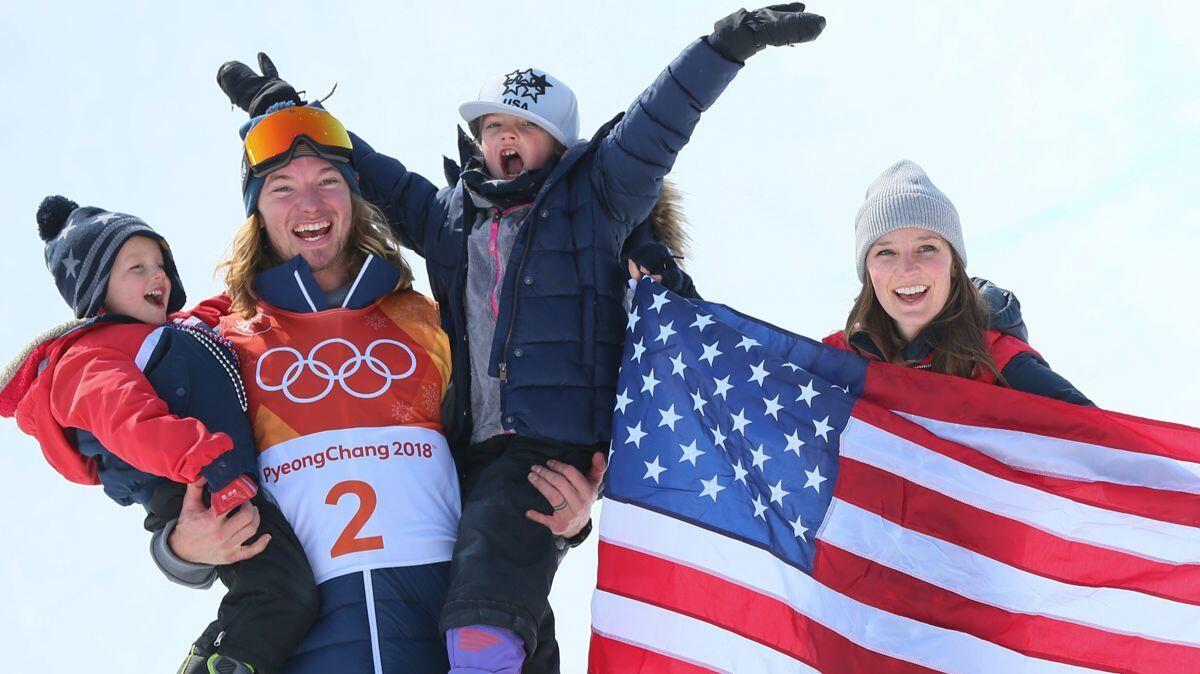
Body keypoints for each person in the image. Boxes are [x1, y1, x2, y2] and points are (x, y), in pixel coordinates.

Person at [214, 5, 827, 672]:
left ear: (557, 145)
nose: (505, 137)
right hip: (469, 452)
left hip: (548, 444)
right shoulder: (449, 219)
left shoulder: (593, 199)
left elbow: (659, 123)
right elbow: (357, 168)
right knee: (488, 589)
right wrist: (282, 109)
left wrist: (726, 44)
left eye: (524, 128)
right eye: (492, 127)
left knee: (485, 598)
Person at [149, 103, 602, 673]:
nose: (309, 204)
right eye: (283, 188)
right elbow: (163, 481)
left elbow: (511, 448)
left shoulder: (433, 320)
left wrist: (571, 518)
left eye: (328, 182)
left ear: (355, 200)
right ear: (257, 214)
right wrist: (180, 550)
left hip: (458, 639)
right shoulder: (223, 344)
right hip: (307, 646)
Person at [0, 197, 317, 674]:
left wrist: (276, 261)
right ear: (97, 288)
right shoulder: (92, 357)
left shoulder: (180, 329)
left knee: (278, 588)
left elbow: (228, 306)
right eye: (136, 267)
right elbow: (133, 424)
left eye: (160, 264)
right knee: (281, 590)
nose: (158, 276)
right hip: (191, 482)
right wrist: (207, 461)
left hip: (219, 474)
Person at [825, 159, 1091, 404]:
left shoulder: (1002, 364)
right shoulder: (833, 368)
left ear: (954, 263)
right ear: (867, 270)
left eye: (926, 248)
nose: (906, 269)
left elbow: (1103, 446)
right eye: (885, 252)